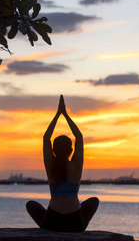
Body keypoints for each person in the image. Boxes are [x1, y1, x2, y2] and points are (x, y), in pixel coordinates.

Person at [26, 95, 99, 232]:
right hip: (76, 223)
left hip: (52, 222)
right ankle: (81, 225)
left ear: (53, 150)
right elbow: (79, 137)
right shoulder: (76, 166)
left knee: (31, 204)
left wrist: (57, 114)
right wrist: (65, 114)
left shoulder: (50, 165)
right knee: (94, 201)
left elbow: (46, 137)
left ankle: (46, 224)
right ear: (71, 150)